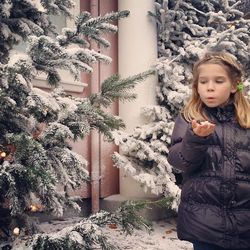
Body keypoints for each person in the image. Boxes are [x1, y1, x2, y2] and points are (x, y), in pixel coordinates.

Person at [167, 51, 250, 250]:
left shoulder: (246, 121)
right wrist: (196, 139)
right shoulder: (190, 118)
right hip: (204, 223)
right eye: (203, 82)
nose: (210, 87)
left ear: (233, 85)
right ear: (196, 87)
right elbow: (179, 161)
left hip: (245, 220)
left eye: (218, 81)